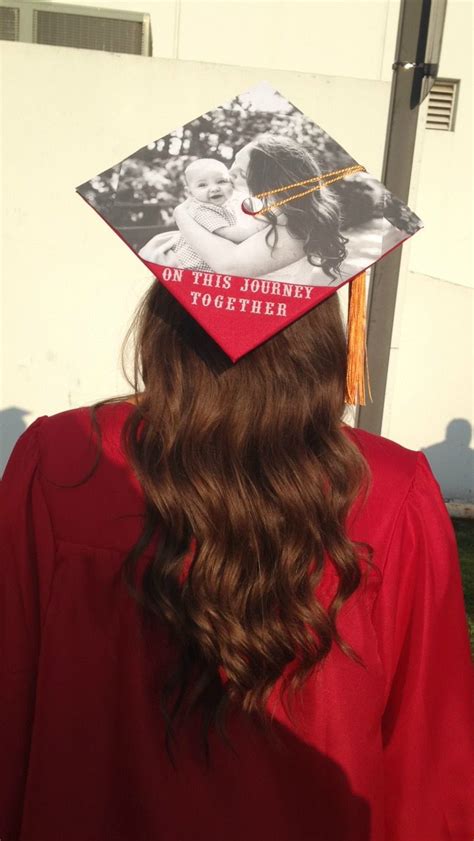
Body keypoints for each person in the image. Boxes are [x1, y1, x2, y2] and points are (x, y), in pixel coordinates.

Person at [1, 277, 473, 841]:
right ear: (319, 334)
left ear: (164, 325)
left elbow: (11, 689)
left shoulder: (62, 460)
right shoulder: (393, 490)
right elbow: (427, 750)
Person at [172, 134, 352, 285]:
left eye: (241, 173)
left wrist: (180, 214)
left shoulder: (297, 226)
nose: (230, 172)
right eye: (234, 161)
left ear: (270, 182)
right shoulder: (260, 206)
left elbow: (228, 266)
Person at [139, 157, 266, 270]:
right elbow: (230, 234)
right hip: (194, 266)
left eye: (221, 181)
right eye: (202, 185)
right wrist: (257, 228)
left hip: (217, 256)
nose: (214, 188)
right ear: (190, 192)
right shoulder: (201, 209)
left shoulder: (229, 202)